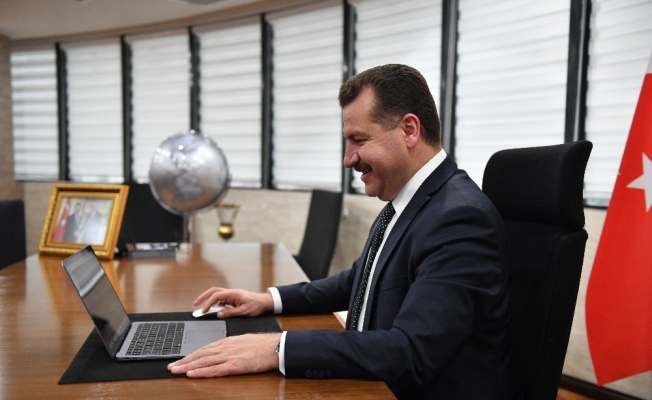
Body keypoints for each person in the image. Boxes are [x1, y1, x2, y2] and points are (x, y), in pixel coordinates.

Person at [168, 64, 520, 399]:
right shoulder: (412, 201)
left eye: (359, 139)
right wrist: (268, 300)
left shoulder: (459, 219)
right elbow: (361, 279)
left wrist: (276, 347)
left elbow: (411, 350)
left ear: (409, 130)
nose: (348, 159)